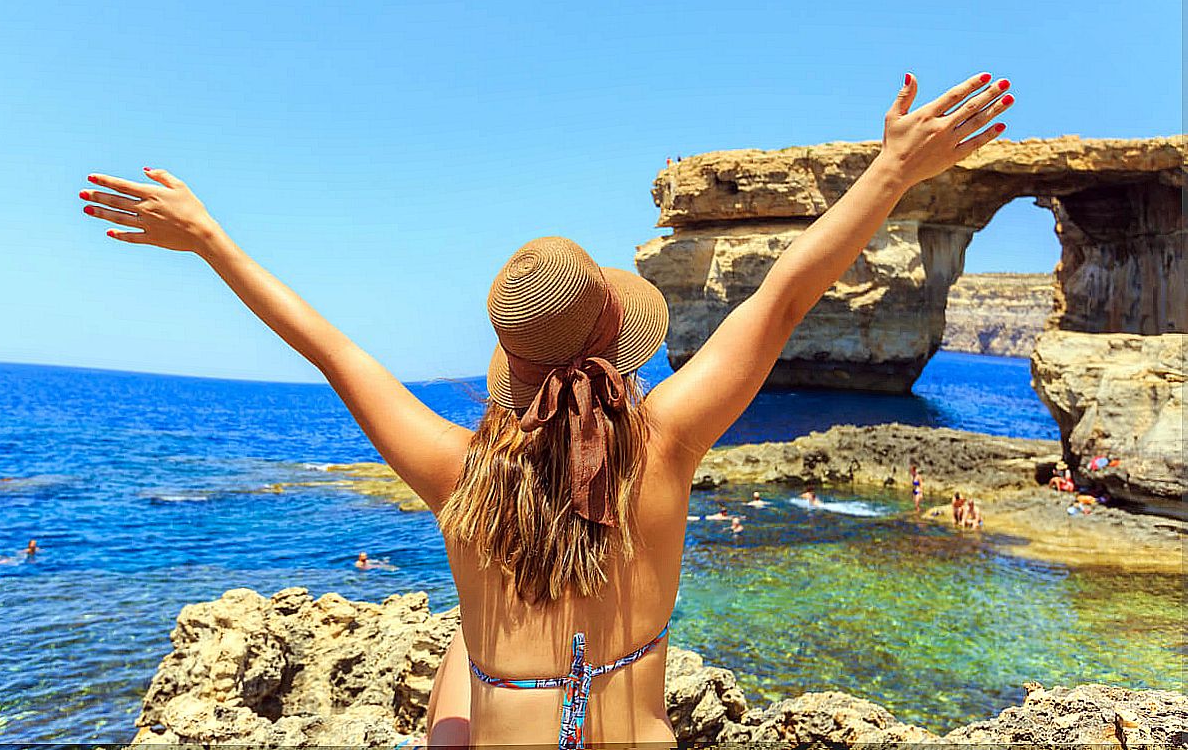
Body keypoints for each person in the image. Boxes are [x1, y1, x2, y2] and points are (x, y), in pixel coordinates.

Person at [78, 70, 1013, 747]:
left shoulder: (456, 472)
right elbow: (780, 298)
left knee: (461, 665)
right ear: (620, 343)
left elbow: (331, 349)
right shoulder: (667, 444)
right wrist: (893, 169)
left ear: (511, 366)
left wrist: (210, 240)